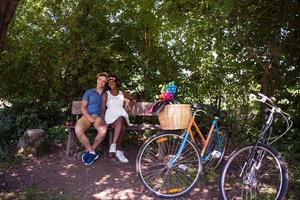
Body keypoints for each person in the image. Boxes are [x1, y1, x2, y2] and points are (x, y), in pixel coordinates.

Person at [75, 72, 108, 165]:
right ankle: (91, 151)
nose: (101, 82)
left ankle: (91, 151)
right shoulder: (89, 92)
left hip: (98, 117)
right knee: (78, 130)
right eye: (100, 80)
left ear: (105, 83)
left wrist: (102, 118)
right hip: (86, 115)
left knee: (103, 131)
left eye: (104, 81)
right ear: (97, 79)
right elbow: (82, 107)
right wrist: (89, 117)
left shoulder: (106, 94)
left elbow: (105, 107)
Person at [101, 75, 135, 163]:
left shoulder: (122, 93)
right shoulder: (106, 94)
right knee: (122, 128)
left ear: (117, 83)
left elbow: (133, 98)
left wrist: (131, 103)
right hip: (111, 117)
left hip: (122, 115)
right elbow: (103, 108)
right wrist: (103, 121)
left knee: (120, 118)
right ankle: (119, 152)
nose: (111, 83)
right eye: (109, 82)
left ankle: (114, 143)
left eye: (113, 81)